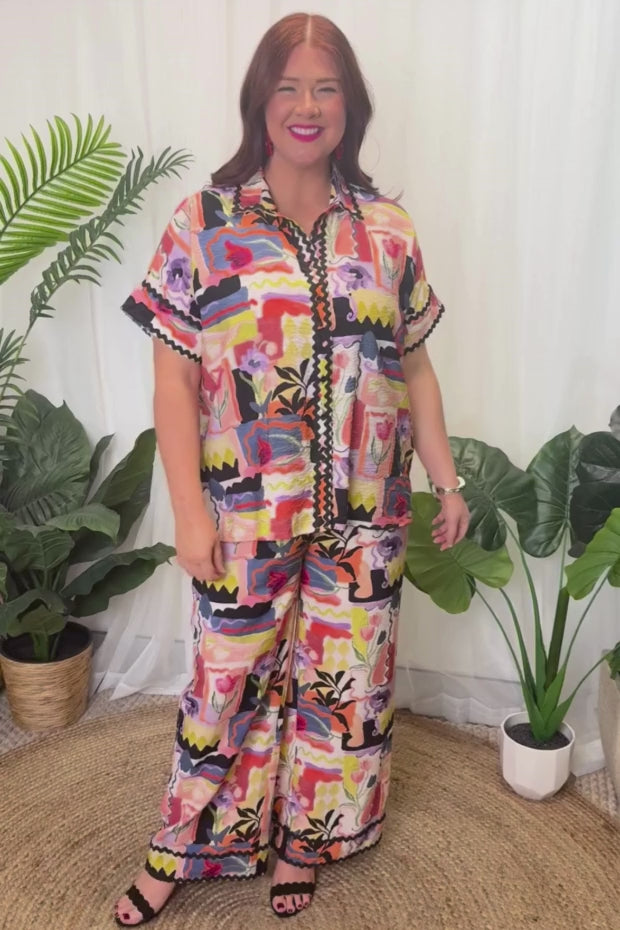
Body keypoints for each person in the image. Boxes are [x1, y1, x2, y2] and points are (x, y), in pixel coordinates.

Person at [114, 11, 469, 925]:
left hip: (367, 515)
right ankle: (183, 845)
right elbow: (173, 380)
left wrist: (446, 479)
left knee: (341, 686)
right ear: (260, 102)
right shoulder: (205, 223)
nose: (307, 106)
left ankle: (307, 840)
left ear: (351, 104)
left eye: (326, 88)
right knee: (225, 682)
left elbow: (415, 363)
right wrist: (188, 511)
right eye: (289, 87)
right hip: (243, 510)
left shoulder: (387, 230)